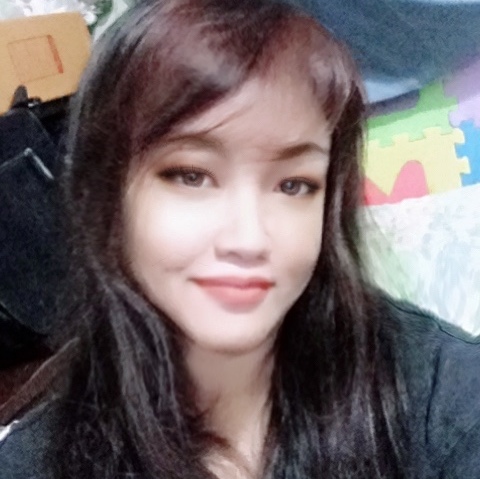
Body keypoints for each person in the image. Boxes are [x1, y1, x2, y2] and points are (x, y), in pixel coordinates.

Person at [1, 0, 480, 478]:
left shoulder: (440, 396)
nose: (249, 239)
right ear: (105, 194)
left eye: (294, 185)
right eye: (191, 176)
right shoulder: (36, 463)